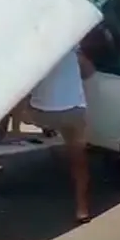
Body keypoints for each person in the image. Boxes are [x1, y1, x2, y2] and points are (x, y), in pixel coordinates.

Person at [21, 47, 96, 223]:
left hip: (41, 114)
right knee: (79, 161)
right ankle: (82, 209)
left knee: (16, 103)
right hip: (73, 113)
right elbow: (89, 72)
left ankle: (0, 141)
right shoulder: (73, 50)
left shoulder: (33, 54)